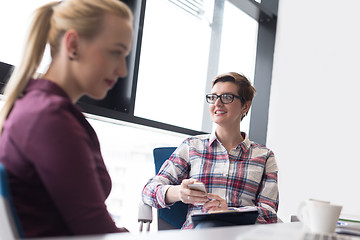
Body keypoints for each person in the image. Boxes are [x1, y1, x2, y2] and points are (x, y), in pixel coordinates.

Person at [0, 0, 133, 238]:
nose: (123, 70)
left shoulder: (41, 108)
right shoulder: (49, 118)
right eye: (116, 52)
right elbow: (95, 231)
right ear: (72, 45)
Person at [142, 72, 280, 229]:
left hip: (242, 235)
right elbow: (148, 191)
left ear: (245, 106)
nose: (218, 103)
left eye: (227, 97)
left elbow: (270, 214)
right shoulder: (192, 146)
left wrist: (229, 212)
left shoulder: (264, 156)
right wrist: (179, 192)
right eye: (213, 97)